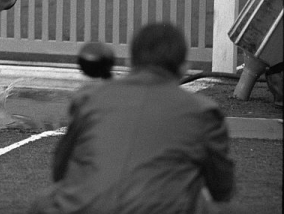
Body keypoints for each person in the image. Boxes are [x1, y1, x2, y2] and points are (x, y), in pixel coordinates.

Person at [30, 22, 235, 214]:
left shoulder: (90, 99)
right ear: (183, 67)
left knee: (43, 201)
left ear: (130, 61)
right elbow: (221, 188)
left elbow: (60, 171)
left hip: (82, 208)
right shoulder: (204, 111)